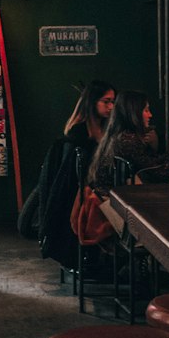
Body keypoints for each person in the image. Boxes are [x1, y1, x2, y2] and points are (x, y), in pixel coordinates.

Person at [34, 80, 115, 266]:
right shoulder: (80, 134)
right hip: (80, 197)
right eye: (106, 101)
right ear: (92, 103)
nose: (111, 106)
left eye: (113, 102)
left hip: (83, 194)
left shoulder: (99, 129)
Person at [88, 90, 169, 193]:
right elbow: (162, 175)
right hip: (111, 201)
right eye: (146, 110)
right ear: (134, 112)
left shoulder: (120, 134)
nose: (150, 115)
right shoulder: (127, 140)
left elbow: (151, 164)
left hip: (111, 195)